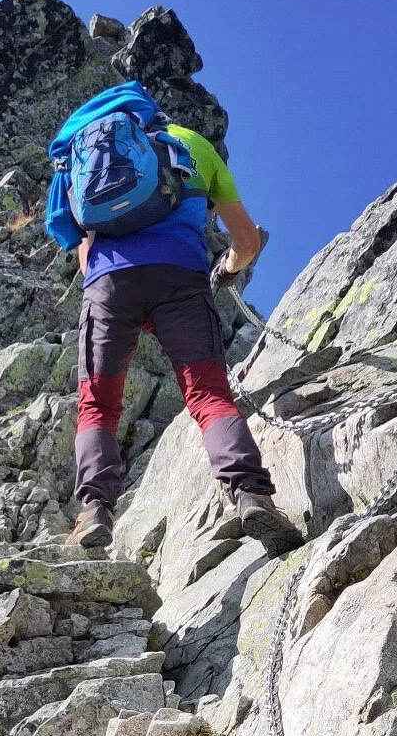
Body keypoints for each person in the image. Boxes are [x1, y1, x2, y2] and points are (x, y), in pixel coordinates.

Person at [46, 83, 304, 556]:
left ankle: (94, 510)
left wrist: (122, 292)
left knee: (98, 402)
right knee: (207, 394)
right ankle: (250, 493)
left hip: (108, 285)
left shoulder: (77, 160)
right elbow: (246, 240)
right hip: (182, 278)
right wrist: (227, 270)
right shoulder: (191, 143)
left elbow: (82, 251)